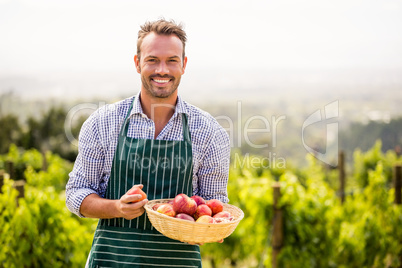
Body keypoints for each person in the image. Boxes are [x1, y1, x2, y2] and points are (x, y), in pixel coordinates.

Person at [66, 18, 231, 267]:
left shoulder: (209, 132)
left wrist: (212, 227)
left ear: (184, 65)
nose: (162, 70)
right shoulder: (102, 123)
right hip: (112, 260)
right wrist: (117, 207)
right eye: (152, 60)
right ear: (137, 63)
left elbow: (213, 205)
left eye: (172, 60)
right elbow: (76, 194)